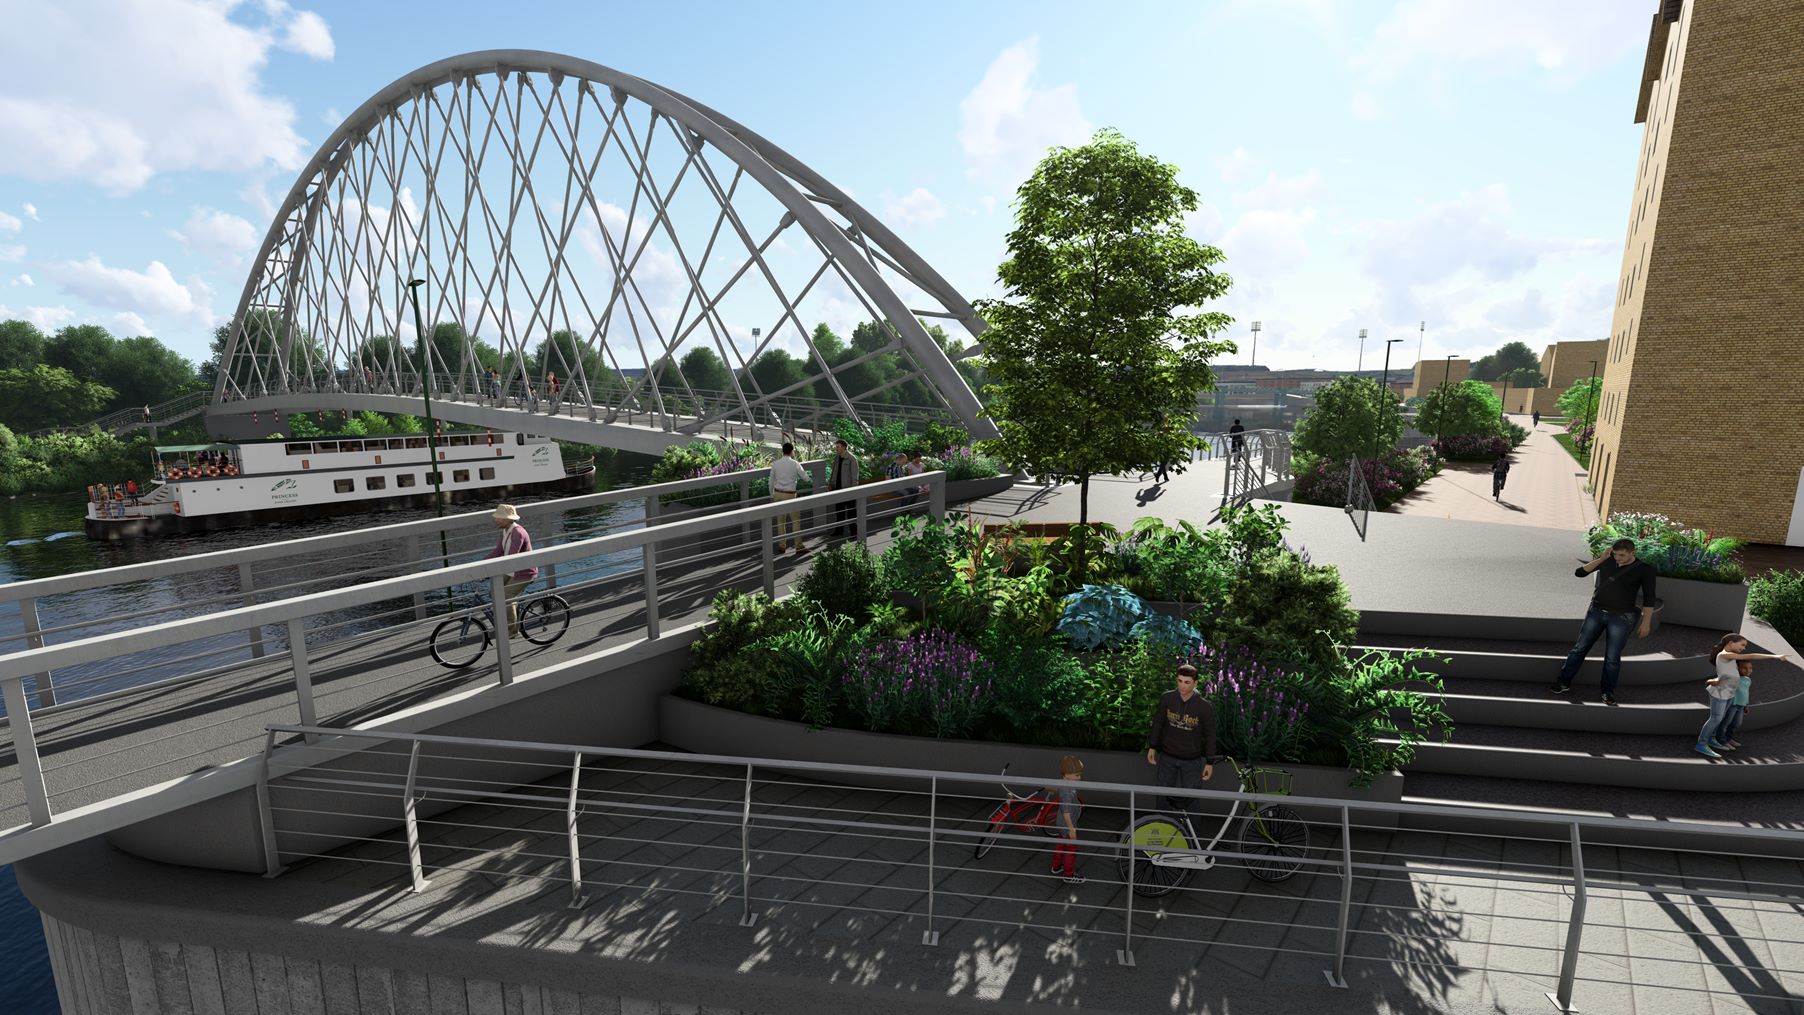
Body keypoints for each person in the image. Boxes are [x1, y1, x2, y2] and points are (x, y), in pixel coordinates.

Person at [1549, 538, 1657, 706]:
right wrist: (1601, 559)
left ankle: (1607, 692)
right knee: (1579, 649)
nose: (1618, 558)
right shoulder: (1607, 561)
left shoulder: (1645, 569)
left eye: (1622, 555)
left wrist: (1646, 622)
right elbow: (1580, 573)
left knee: (1612, 657)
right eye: (1615, 554)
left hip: (1621, 617)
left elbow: (1649, 598)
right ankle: (1563, 682)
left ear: (1632, 553)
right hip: (1596, 612)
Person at [1697, 634, 1789, 758]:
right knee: (1715, 719)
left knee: (1721, 717)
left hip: (1730, 693)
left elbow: (1726, 672)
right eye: (1742, 644)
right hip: (1720, 693)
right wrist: (1775, 656)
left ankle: (1712, 738)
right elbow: (1750, 656)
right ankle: (1701, 744)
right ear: (1730, 643)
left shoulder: (1730, 658)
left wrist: (1718, 678)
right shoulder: (1724, 654)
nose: (1744, 648)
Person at [1146, 664, 1217, 815]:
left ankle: (1192, 837)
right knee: (1162, 798)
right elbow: (1158, 722)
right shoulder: (1167, 698)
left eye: (1187, 682)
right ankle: (1162, 829)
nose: (1182, 686)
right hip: (1167, 757)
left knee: (1192, 801)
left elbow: (1211, 735)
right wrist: (1152, 746)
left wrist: (1210, 762)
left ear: (1195, 683)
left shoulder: (1204, 706)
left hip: (1192, 760)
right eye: (1180, 681)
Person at [484, 504, 539, 638]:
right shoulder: (506, 531)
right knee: (494, 593)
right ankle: (512, 617)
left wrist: (492, 569)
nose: (496, 520)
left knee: (505, 596)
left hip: (524, 573)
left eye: (499, 518)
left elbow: (511, 556)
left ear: (508, 519)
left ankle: (512, 631)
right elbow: (498, 551)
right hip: (511, 570)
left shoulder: (518, 533)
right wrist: (481, 564)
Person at [1050, 755, 1085, 885]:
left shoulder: (1065, 784)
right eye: (1076, 775)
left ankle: (1056, 866)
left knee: (1060, 844)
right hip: (1067, 824)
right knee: (1071, 849)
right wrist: (1072, 829)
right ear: (1066, 774)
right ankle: (1068, 875)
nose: (1079, 778)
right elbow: (1066, 812)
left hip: (1061, 824)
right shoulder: (1067, 792)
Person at [769, 441, 806, 555]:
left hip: (778, 494)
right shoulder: (795, 463)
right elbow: (805, 477)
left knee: (780, 521)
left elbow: (770, 481)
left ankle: (782, 546)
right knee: (795, 520)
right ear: (792, 451)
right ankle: (798, 546)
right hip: (790, 494)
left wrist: (771, 495)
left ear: (783, 451)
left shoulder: (776, 464)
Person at [1718, 659, 1755, 749]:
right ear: (1737, 668)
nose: (1748, 670)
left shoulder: (1748, 680)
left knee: (1737, 723)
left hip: (1741, 706)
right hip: (1732, 706)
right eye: (1744, 668)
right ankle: (1721, 740)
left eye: (1750, 668)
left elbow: (1746, 693)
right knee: (1726, 722)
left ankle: (1728, 738)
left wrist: (1746, 705)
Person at [828, 439, 860, 539]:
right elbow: (834, 472)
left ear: (844, 447)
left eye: (838, 447)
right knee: (839, 511)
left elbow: (855, 477)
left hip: (848, 490)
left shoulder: (852, 459)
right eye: (836, 447)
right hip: (837, 489)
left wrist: (853, 491)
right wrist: (830, 484)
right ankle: (839, 531)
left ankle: (854, 533)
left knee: (851, 512)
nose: (836, 448)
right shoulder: (837, 458)